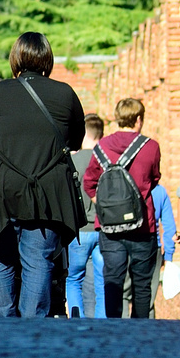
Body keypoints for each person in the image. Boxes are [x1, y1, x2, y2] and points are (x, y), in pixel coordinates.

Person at [0, 32, 88, 318]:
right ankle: (32, 326)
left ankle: (3, 324)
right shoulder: (65, 93)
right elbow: (75, 141)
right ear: (47, 60)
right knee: (38, 260)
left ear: (15, 59)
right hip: (46, 192)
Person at [81, 98, 162, 318]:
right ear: (138, 120)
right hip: (143, 226)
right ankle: (141, 332)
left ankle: (114, 330)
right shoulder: (151, 147)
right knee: (142, 285)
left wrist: (107, 207)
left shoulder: (101, 148)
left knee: (113, 282)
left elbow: (89, 184)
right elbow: (154, 179)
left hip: (110, 228)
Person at [66, 113, 107, 319]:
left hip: (79, 232)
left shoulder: (74, 162)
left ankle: (77, 320)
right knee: (101, 281)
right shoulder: (106, 161)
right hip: (102, 229)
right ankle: (102, 324)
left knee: (73, 279)